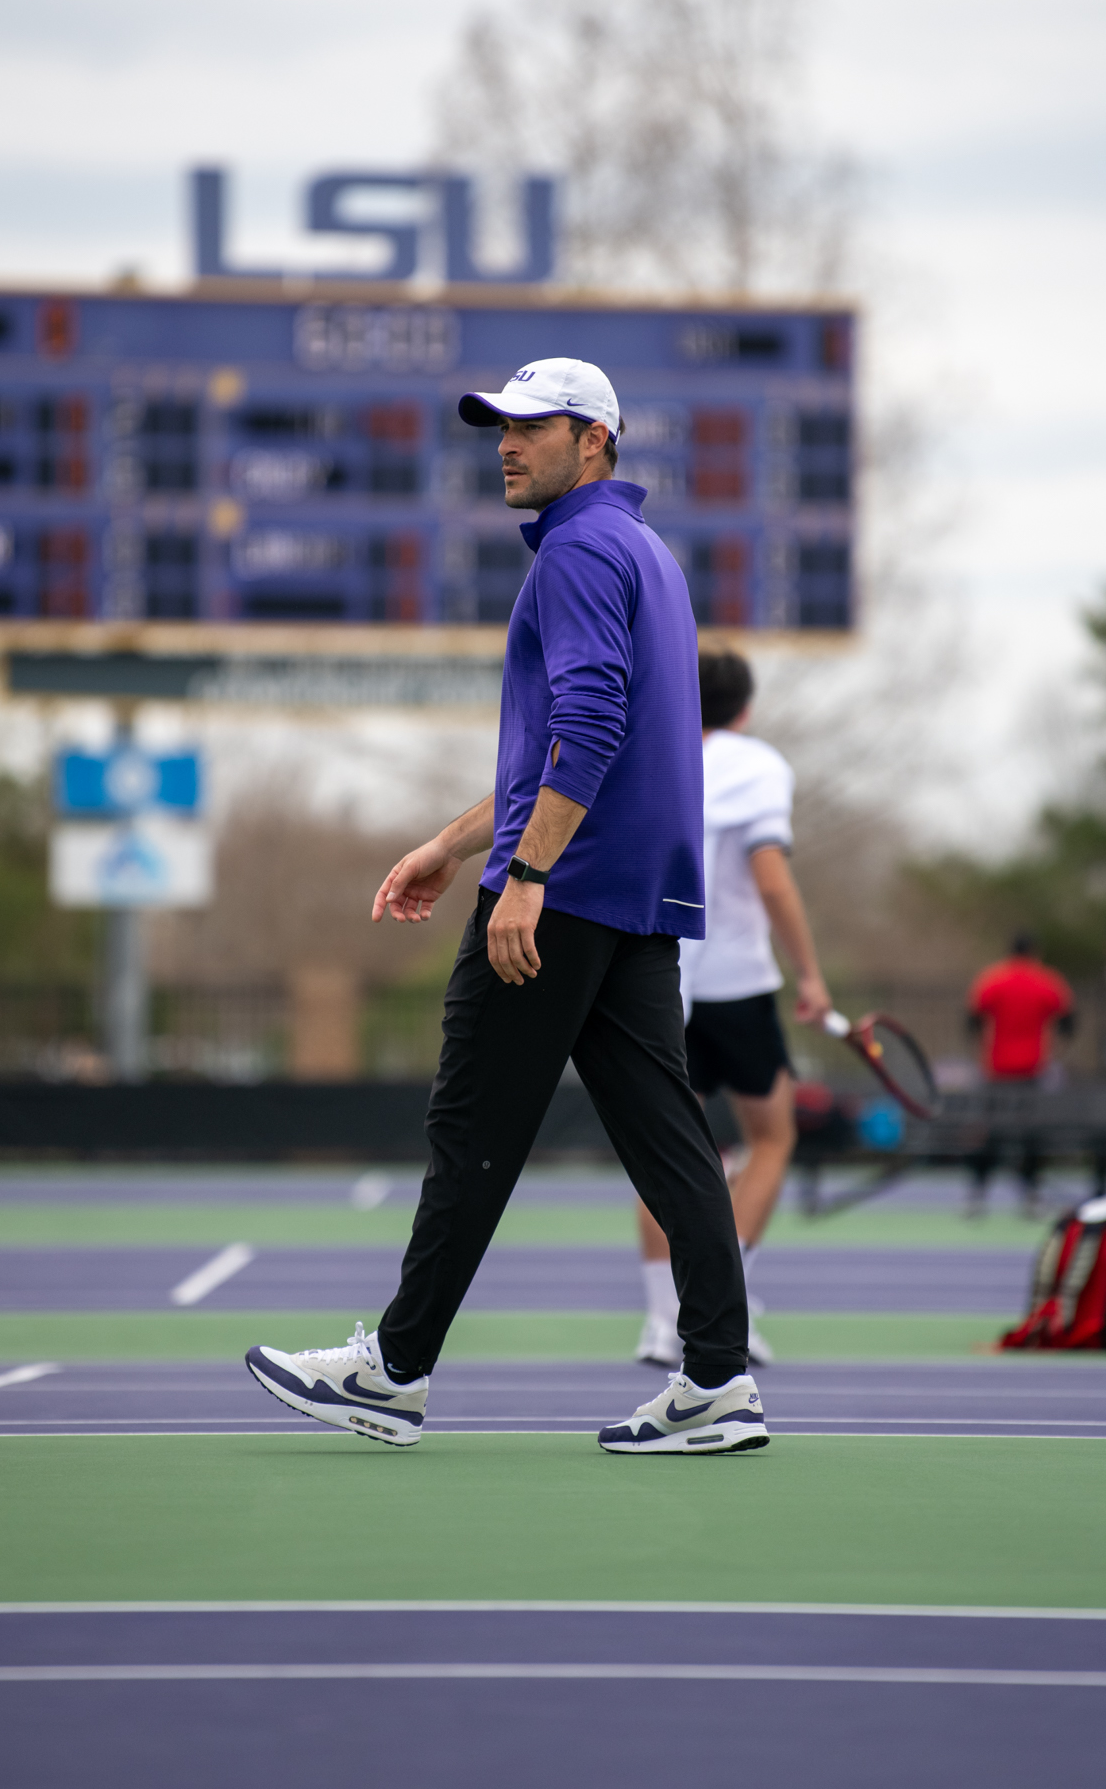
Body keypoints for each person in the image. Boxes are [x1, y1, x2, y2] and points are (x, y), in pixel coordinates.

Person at [246, 356, 768, 1456]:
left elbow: (590, 718)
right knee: (672, 1142)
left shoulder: (578, 548)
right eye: (501, 424)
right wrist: (449, 841)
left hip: (566, 891)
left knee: (471, 1130)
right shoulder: (642, 552)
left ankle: (391, 1371)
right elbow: (571, 743)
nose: (507, 441)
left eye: (537, 424)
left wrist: (524, 875)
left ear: (597, 441)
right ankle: (718, 1376)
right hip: (630, 894)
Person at [635, 649, 832, 1368]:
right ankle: (727, 1308)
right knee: (772, 1140)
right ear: (744, 710)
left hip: (655, 982)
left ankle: (663, 1322)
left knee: (664, 1155)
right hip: (739, 986)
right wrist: (809, 974)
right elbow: (772, 880)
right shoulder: (757, 764)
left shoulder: (649, 753)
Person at [965, 934, 1075, 1215]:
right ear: (1035, 952)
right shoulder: (1047, 980)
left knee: (990, 1132)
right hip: (1032, 1069)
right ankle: (1030, 1194)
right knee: (1032, 1135)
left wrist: (981, 1046)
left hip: (997, 1069)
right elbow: (1068, 1020)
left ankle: (978, 1194)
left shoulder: (993, 979)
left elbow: (972, 1018)